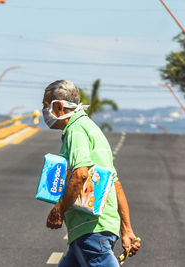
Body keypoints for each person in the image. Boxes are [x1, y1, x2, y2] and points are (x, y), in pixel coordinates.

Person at [42, 80, 141, 267]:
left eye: (45, 106)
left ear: (59, 106)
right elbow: (115, 184)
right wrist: (126, 230)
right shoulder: (92, 129)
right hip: (98, 229)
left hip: (91, 231)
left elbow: (80, 174)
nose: (43, 112)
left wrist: (59, 210)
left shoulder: (76, 130)